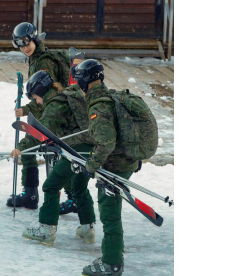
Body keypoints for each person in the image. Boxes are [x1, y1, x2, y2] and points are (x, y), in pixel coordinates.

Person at [71, 59, 141, 276]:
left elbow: (106, 143)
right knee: (113, 210)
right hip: (127, 160)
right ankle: (115, 251)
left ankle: (111, 264)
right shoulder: (110, 95)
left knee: (109, 212)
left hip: (115, 165)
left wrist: (91, 165)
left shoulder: (98, 105)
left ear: (84, 82)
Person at [10, 70, 96, 246]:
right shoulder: (66, 97)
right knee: (79, 187)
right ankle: (88, 229)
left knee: (50, 186)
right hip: (91, 147)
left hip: (76, 149)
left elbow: (40, 131)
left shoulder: (55, 104)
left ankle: (46, 230)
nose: (36, 101)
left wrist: (21, 148)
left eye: (35, 97)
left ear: (40, 92)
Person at [6, 22, 76, 212]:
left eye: (27, 43)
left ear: (35, 39)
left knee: (57, 157)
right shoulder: (35, 58)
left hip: (51, 115)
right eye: (21, 45)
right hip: (42, 113)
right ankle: (31, 194)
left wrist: (30, 110)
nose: (25, 48)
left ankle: (71, 197)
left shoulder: (44, 61)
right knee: (34, 152)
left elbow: (47, 94)